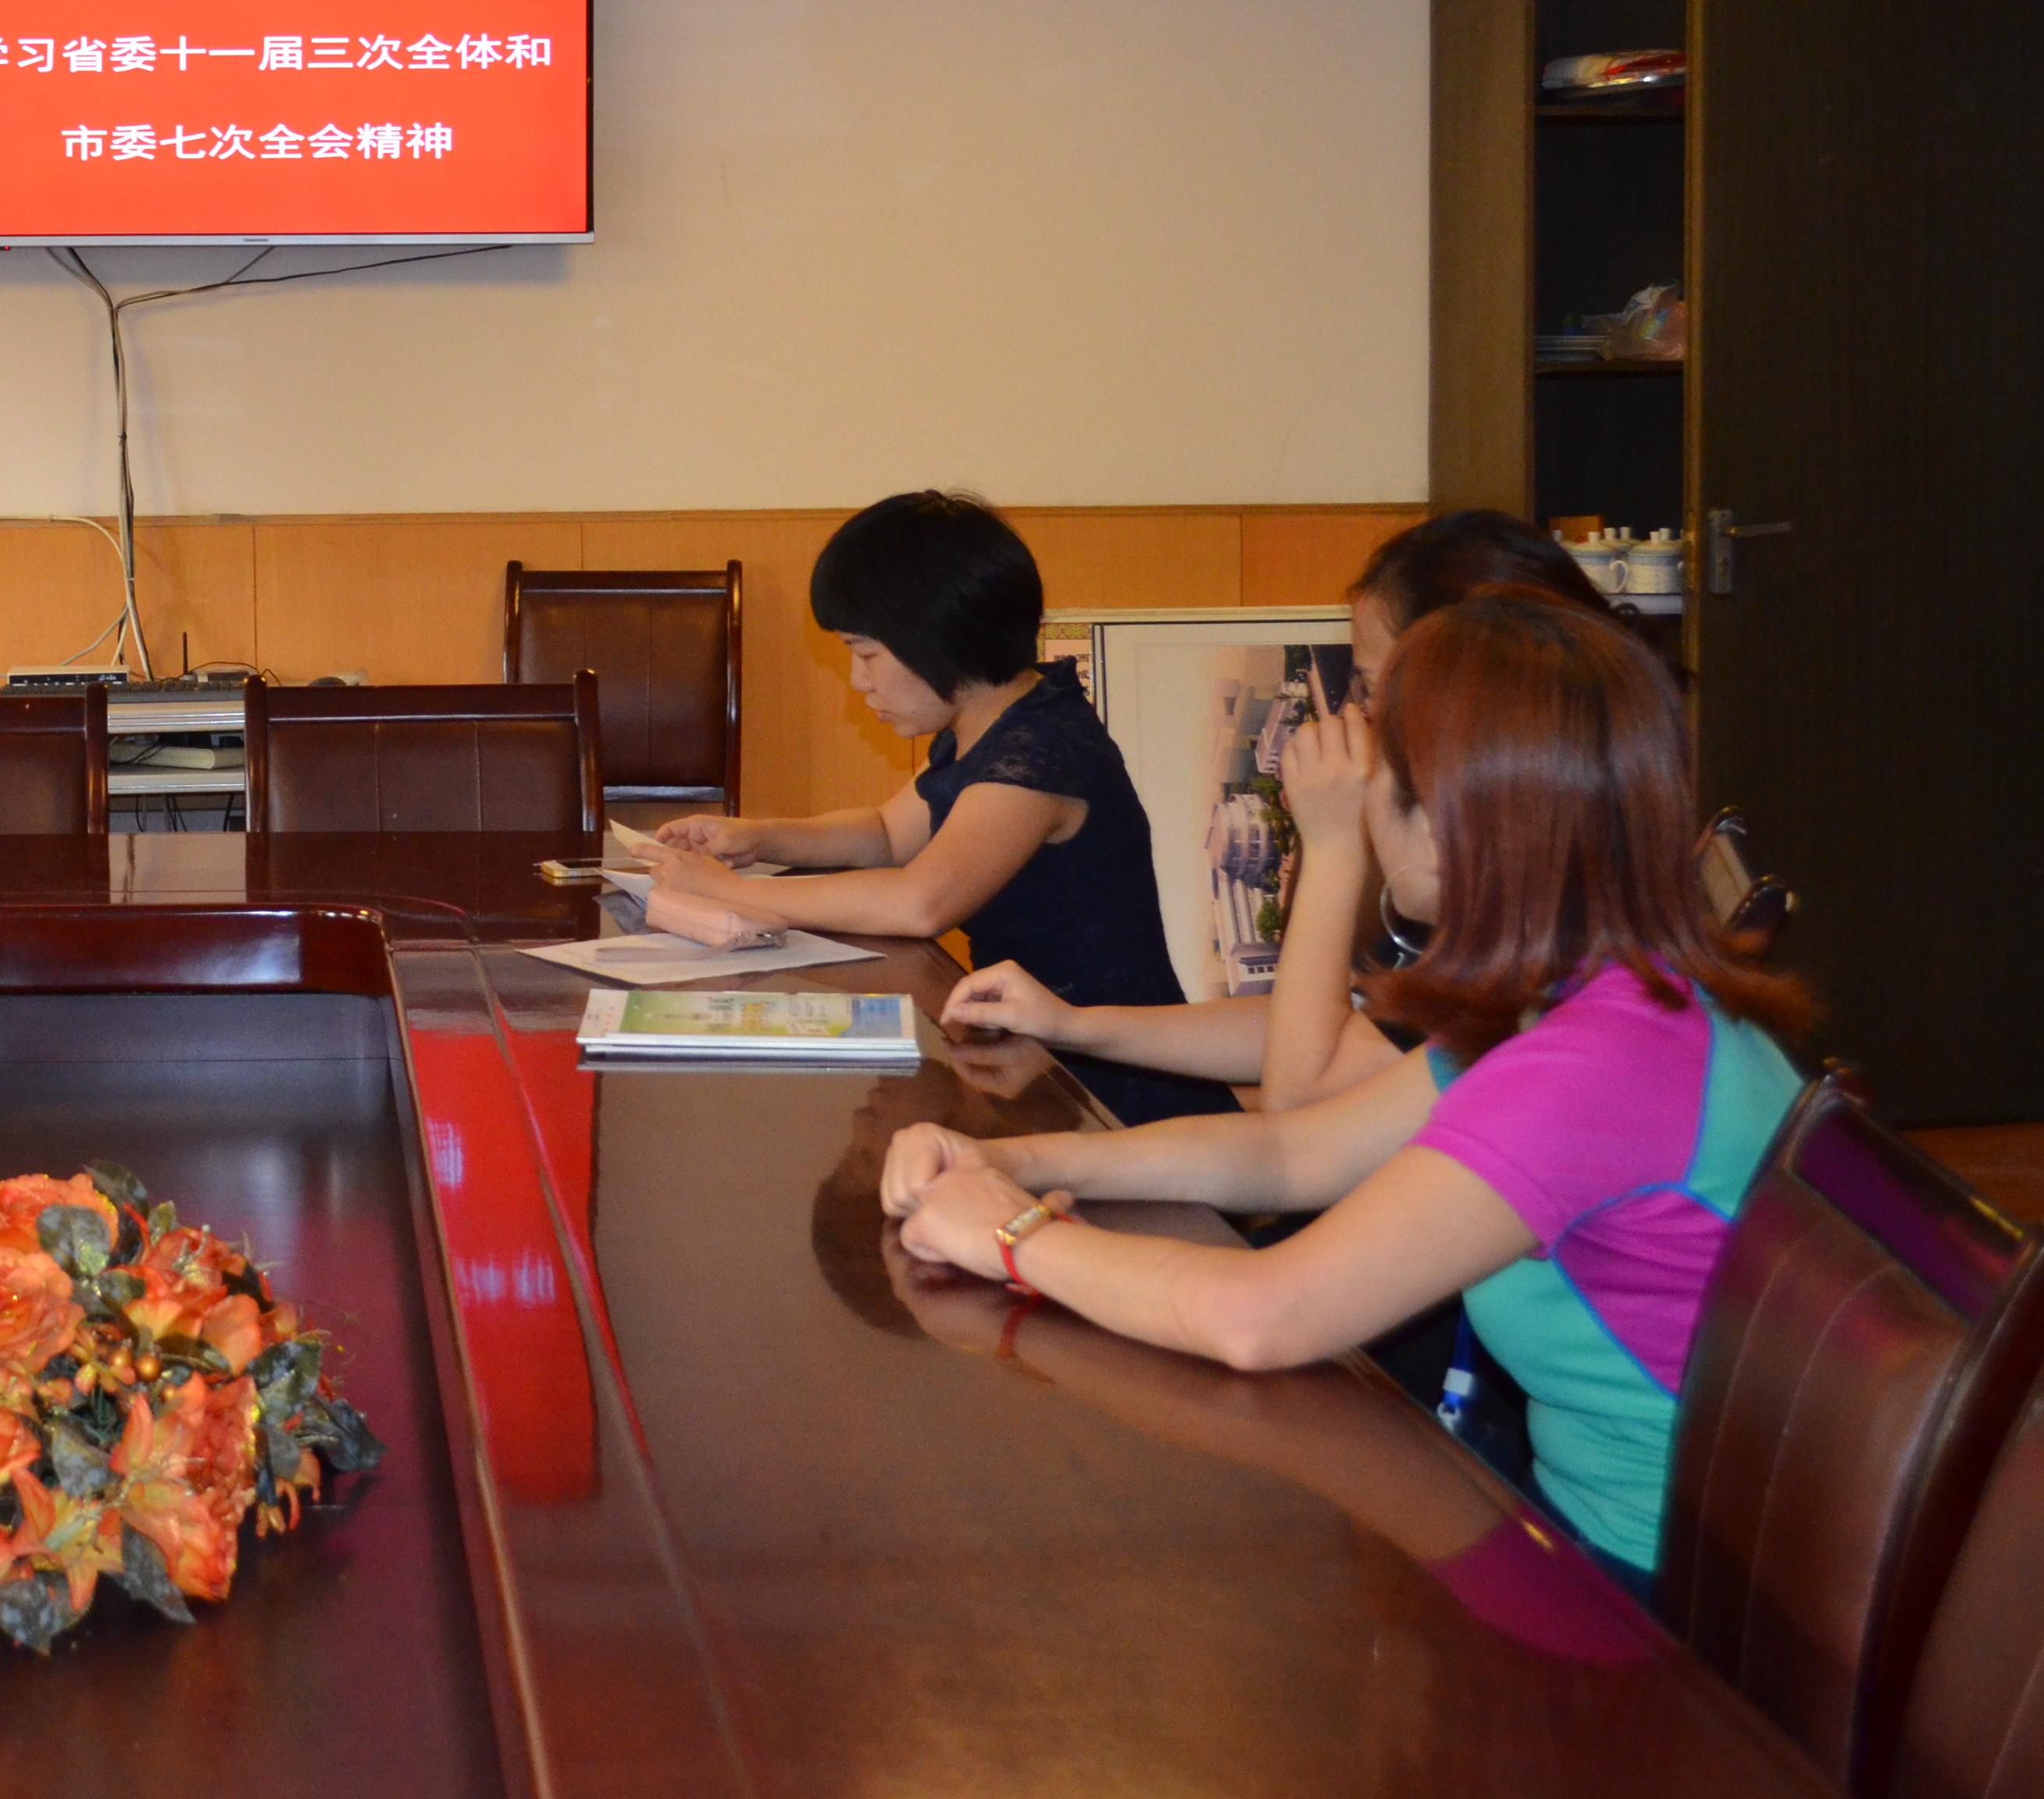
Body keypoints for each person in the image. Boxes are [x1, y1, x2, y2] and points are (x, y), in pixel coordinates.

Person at [881, 588, 1812, 1586]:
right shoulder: (1595, 995)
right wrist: (1008, 1161)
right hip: (1600, 1545)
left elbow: (1261, 1317)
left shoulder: (1591, 1061)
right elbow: (1296, 1152)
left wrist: (1014, 1242)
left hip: (1642, 1601)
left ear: (1446, 821)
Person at [940, 509, 1620, 1111]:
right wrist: (1070, 1024)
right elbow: (1315, 1022)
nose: (1360, 714)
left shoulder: (1539, 904)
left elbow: (1303, 1099)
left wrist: (1332, 848)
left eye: (1374, 687)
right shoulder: (1463, 858)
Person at [646, 490, 1233, 1125]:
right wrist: (761, 838)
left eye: (866, 653)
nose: (857, 679)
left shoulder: (1040, 752)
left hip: (1105, 1083)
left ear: (938, 638)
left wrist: (734, 896)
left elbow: (920, 901)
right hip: (1028, 1046)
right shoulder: (988, 728)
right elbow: (887, 833)